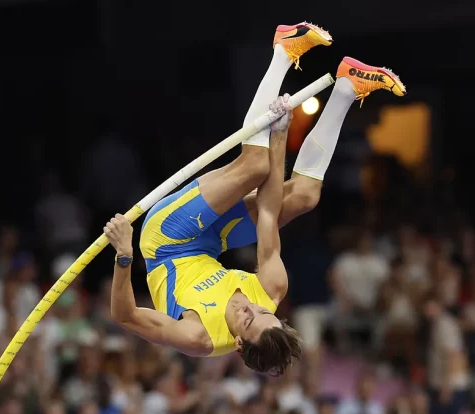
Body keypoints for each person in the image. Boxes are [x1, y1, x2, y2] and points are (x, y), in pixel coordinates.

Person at [104, 22, 405, 375]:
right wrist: (279, 137)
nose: (251, 308)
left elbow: (125, 315)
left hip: (165, 240)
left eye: (249, 320)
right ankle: (347, 87)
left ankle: (283, 50)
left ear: (240, 343)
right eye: (264, 313)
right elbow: (267, 212)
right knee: (305, 196)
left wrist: (124, 257)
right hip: (209, 242)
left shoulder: (198, 336)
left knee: (254, 165)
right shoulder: (272, 289)